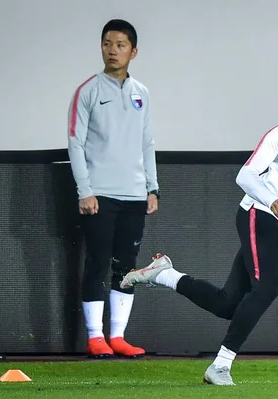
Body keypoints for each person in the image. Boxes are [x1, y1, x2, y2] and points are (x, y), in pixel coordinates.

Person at [121, 68, 278, 381]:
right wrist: (271, 199)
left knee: (228, 304)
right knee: (268, 287)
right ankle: (221, 365)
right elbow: (245, 176)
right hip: (259, 213)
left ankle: (165, 274)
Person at [67, 19, 160, 358]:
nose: (112, 50)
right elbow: (75, 143)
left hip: (135, 195)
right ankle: (95, 337)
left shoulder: (142, 93)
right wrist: (84, 191)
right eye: (107, 43)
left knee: (127, 267)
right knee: (98, 262)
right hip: (100, 194)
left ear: (133, 51)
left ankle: (118, 336)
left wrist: (152, 188)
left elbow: (146, 142)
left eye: (120, 44)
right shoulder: (88, 91)